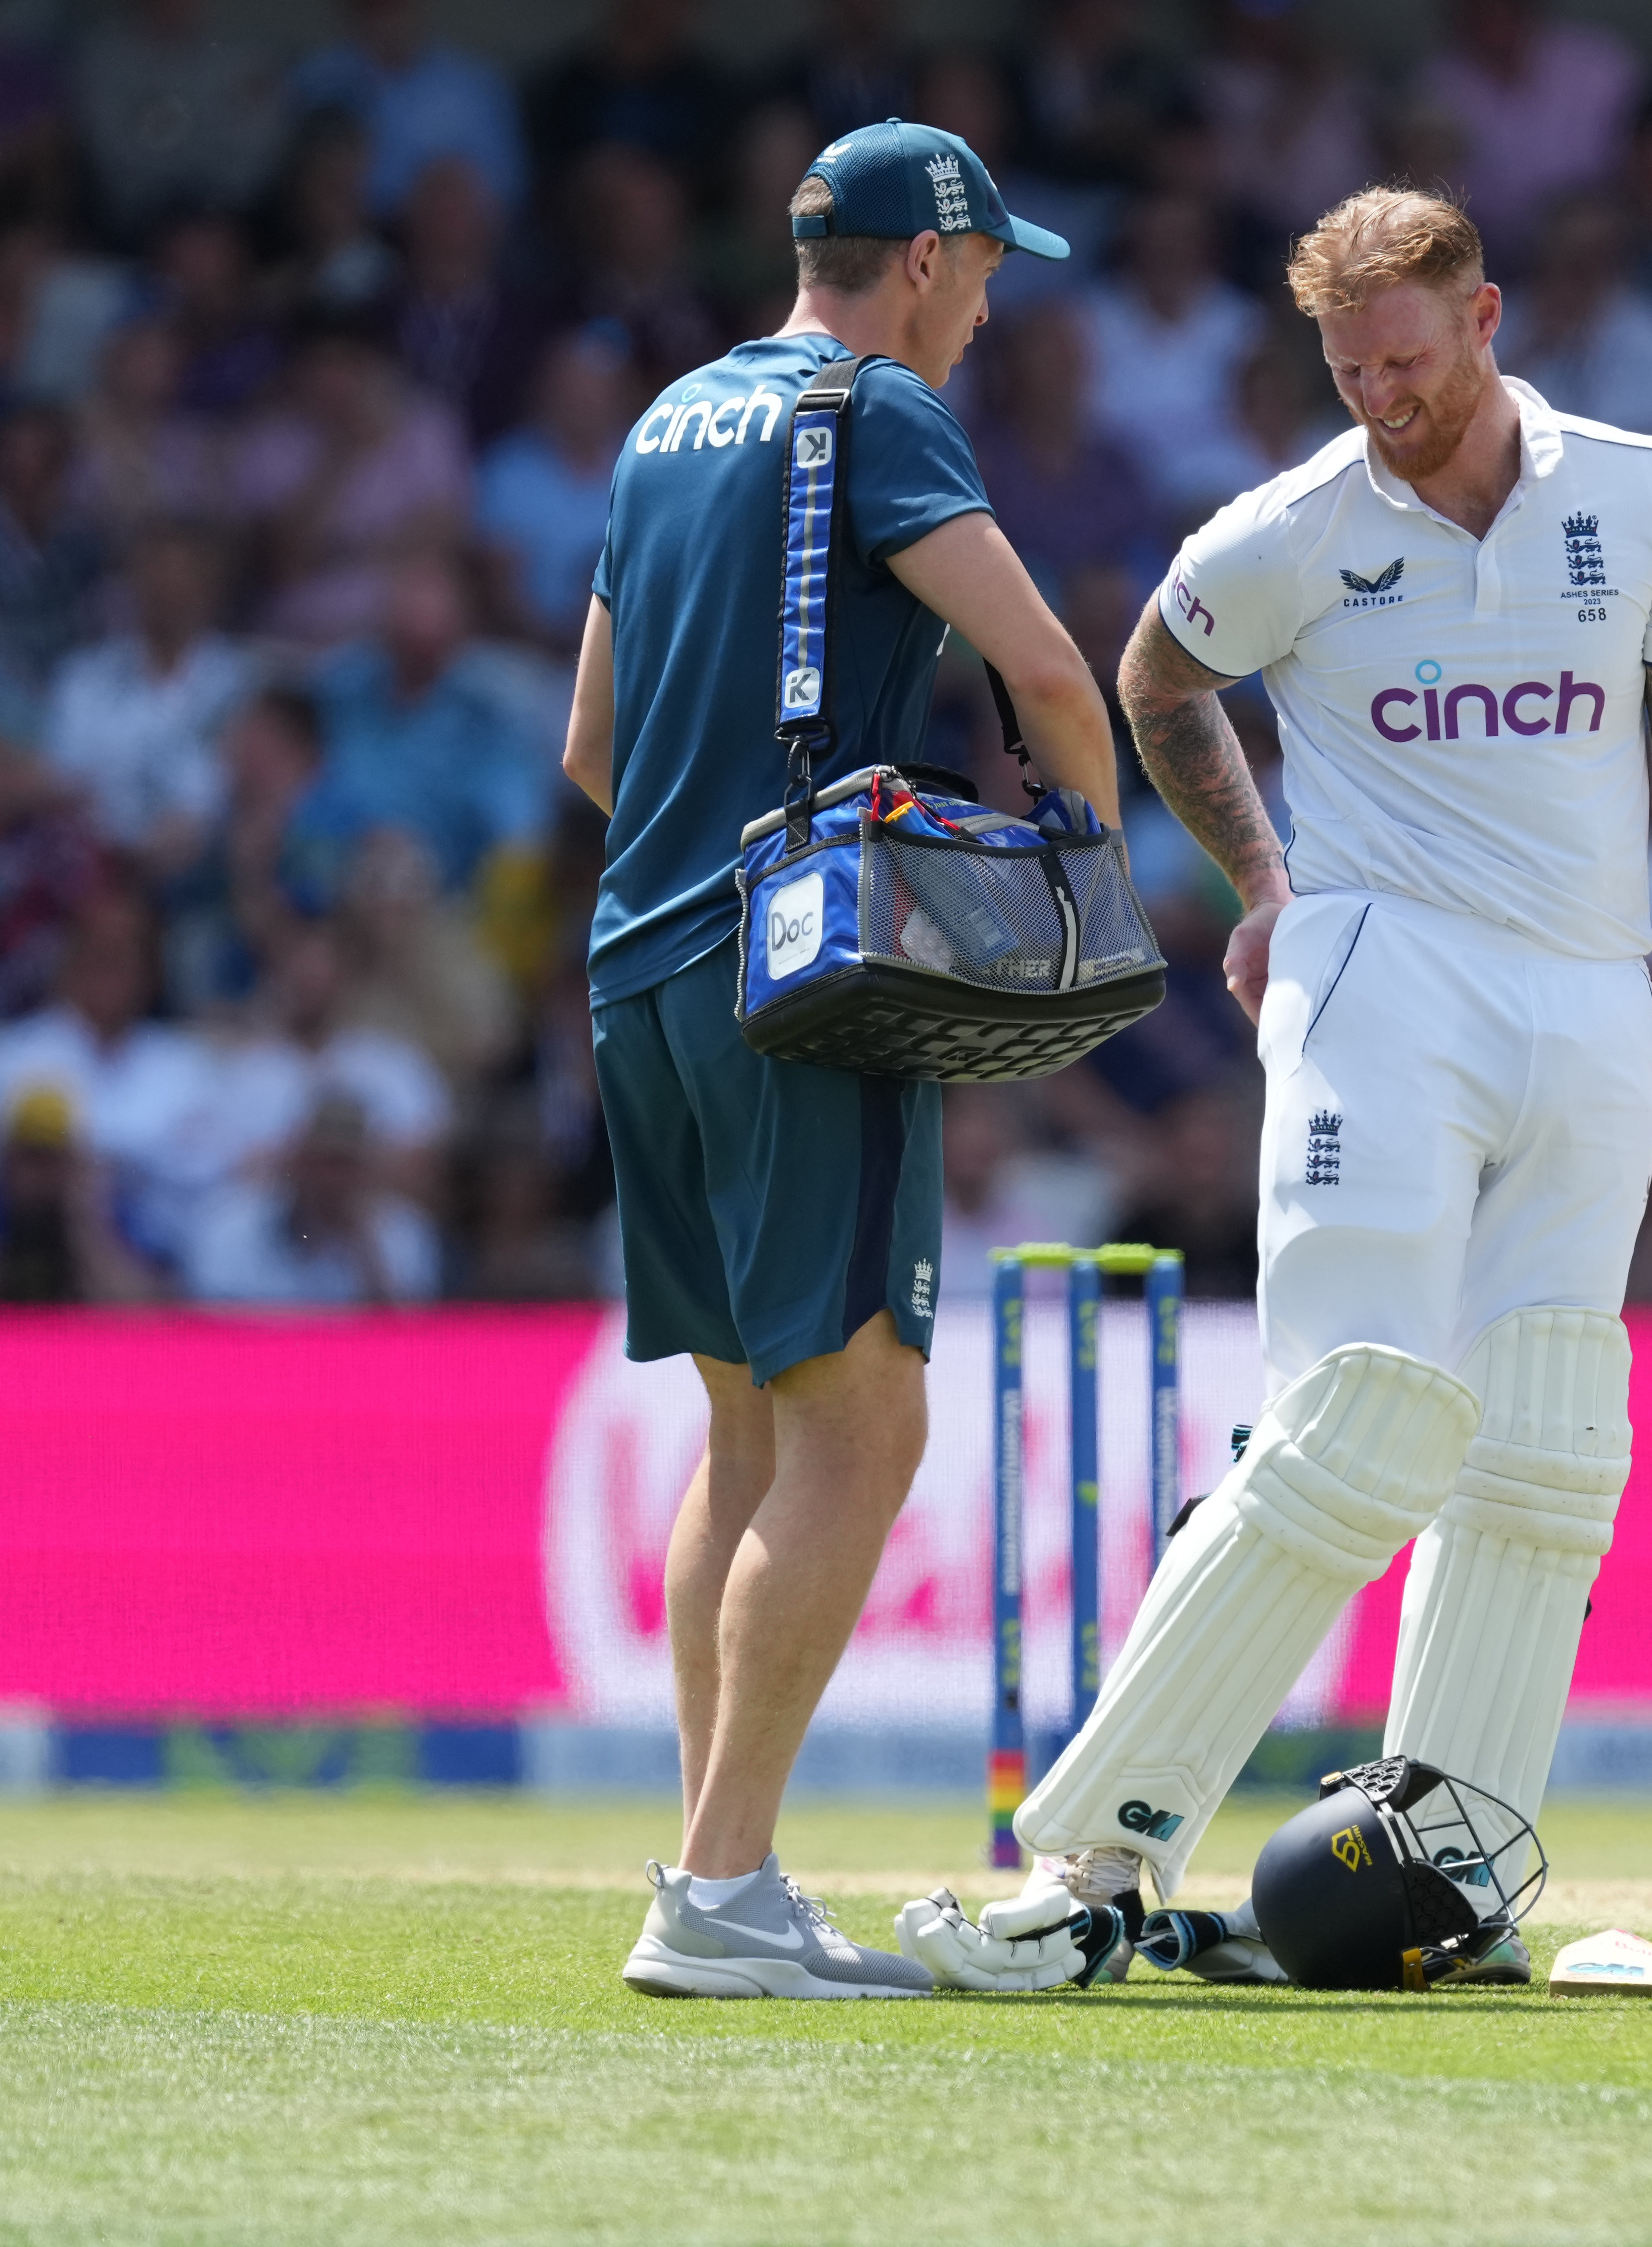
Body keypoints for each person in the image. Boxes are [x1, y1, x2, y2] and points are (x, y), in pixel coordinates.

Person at [943, 186, 1652, 1987]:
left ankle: (1445, 1880)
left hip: (1587, 1002)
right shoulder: (1292, 527)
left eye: (1406, 362)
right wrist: (1266, 884)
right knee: (1359, 1421)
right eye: (1348, 374)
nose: (1381, 402)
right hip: (1381, 980)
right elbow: (1156, 682)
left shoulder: (1643, 494)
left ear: (1484, 317)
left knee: (1547, 1446)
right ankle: (1085, 1865)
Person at [565, 118, 1119, 1999]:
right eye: (980, 276)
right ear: (928, 260)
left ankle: (722, 1872)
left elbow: (593, 746)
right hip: (797, 973)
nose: (982, 312)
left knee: (749, 1424)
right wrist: (1094, 883)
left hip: (636, 957)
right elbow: (1045, 670)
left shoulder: (665, 423)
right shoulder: (877, 411)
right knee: (865, 1418)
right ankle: (717, 1893)